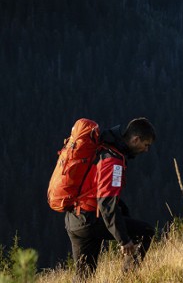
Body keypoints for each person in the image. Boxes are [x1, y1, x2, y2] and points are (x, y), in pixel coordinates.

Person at [64, 117, 157, 280]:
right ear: (136, 139)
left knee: (84, 276)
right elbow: (107, 202)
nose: (146, 150)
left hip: (75, 219)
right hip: (91, 219)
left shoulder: (103, 147)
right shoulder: (114, 162)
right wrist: (123, 240)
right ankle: (127, 279)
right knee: (145, 232)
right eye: (146, 144)